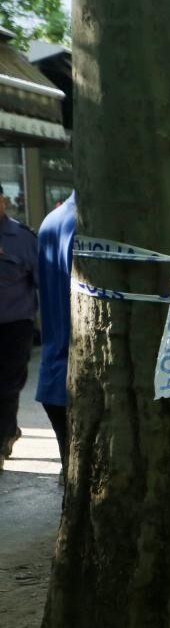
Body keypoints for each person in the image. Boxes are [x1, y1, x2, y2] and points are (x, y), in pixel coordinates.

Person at [0, 182, 38, 476]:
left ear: (3, 203)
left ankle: (3, 439)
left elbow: (40, 281)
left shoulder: (22, 238)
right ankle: (8, 431)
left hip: (13, 326)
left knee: (7, 387)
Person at [34, 192, 73, 468]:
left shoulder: (51, 221)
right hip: (82, 375)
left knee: (72, 466)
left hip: (53, 373)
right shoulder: (88, 224)